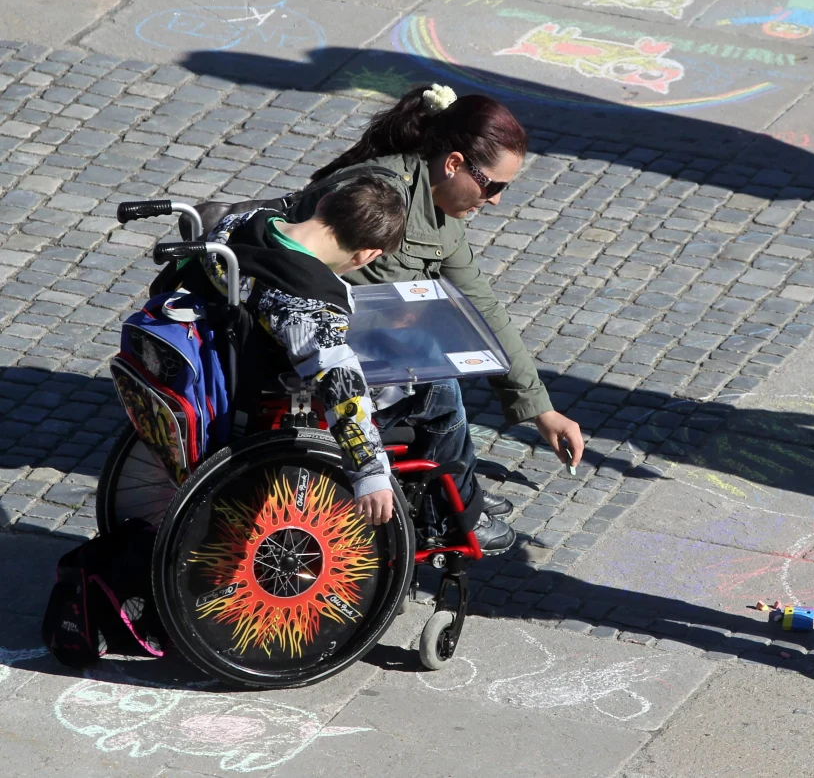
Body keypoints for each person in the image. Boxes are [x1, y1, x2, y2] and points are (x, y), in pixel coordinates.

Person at [289, 83, 584, 554]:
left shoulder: (436, 210)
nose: (497, 201)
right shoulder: (380, 204)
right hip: (310, 355)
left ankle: (456, 491)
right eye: (493, 186)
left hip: (346, 340)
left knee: (440, 370)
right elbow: (359, 310)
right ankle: (454, 513)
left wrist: (540, 407)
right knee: (439, 391)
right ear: (453, 164)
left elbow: (481, 305)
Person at [174, 175, 410, 531]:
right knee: (439, 396)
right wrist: (370, 473)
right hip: (277, 393)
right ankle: (459, 516)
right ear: (366, 256)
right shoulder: (309, 303)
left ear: (322, 204)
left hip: (216, 359)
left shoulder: (242, 224)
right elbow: (341, 386)